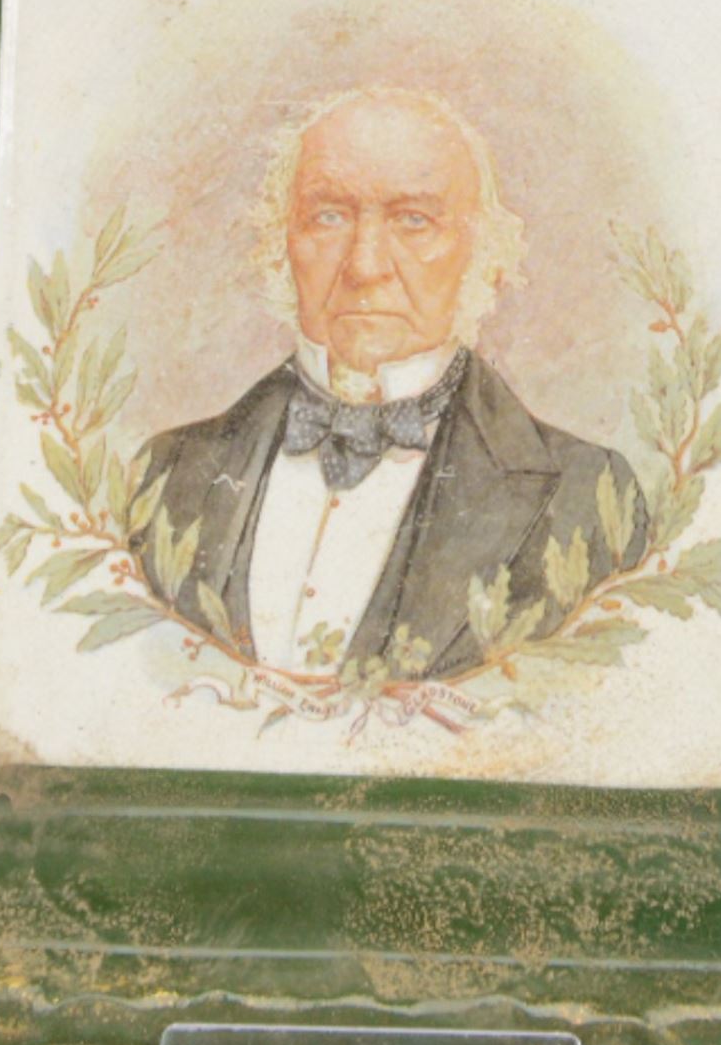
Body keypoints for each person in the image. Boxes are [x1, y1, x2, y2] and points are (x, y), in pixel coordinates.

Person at [134, 86, 647, 680]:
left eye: (413, 221)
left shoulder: (590, 497)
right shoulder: (164, 475)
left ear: (483, 252)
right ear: (280, 244)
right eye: (329, 216)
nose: (365, 265)